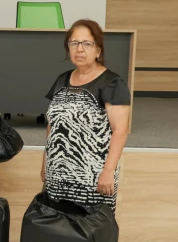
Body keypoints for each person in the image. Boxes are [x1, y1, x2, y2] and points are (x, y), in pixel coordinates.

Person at [42, 19, 129, 212]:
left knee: (91, 229)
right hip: (58, 177)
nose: (79, 49)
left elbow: (120, 130)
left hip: (93, 179)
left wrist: (108, 171)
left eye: (87, 43)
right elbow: (52, 125)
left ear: (98, 50)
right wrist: (45, 162)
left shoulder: (112, 83)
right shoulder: (62, 80)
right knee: (56, 226)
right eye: (74, 43)